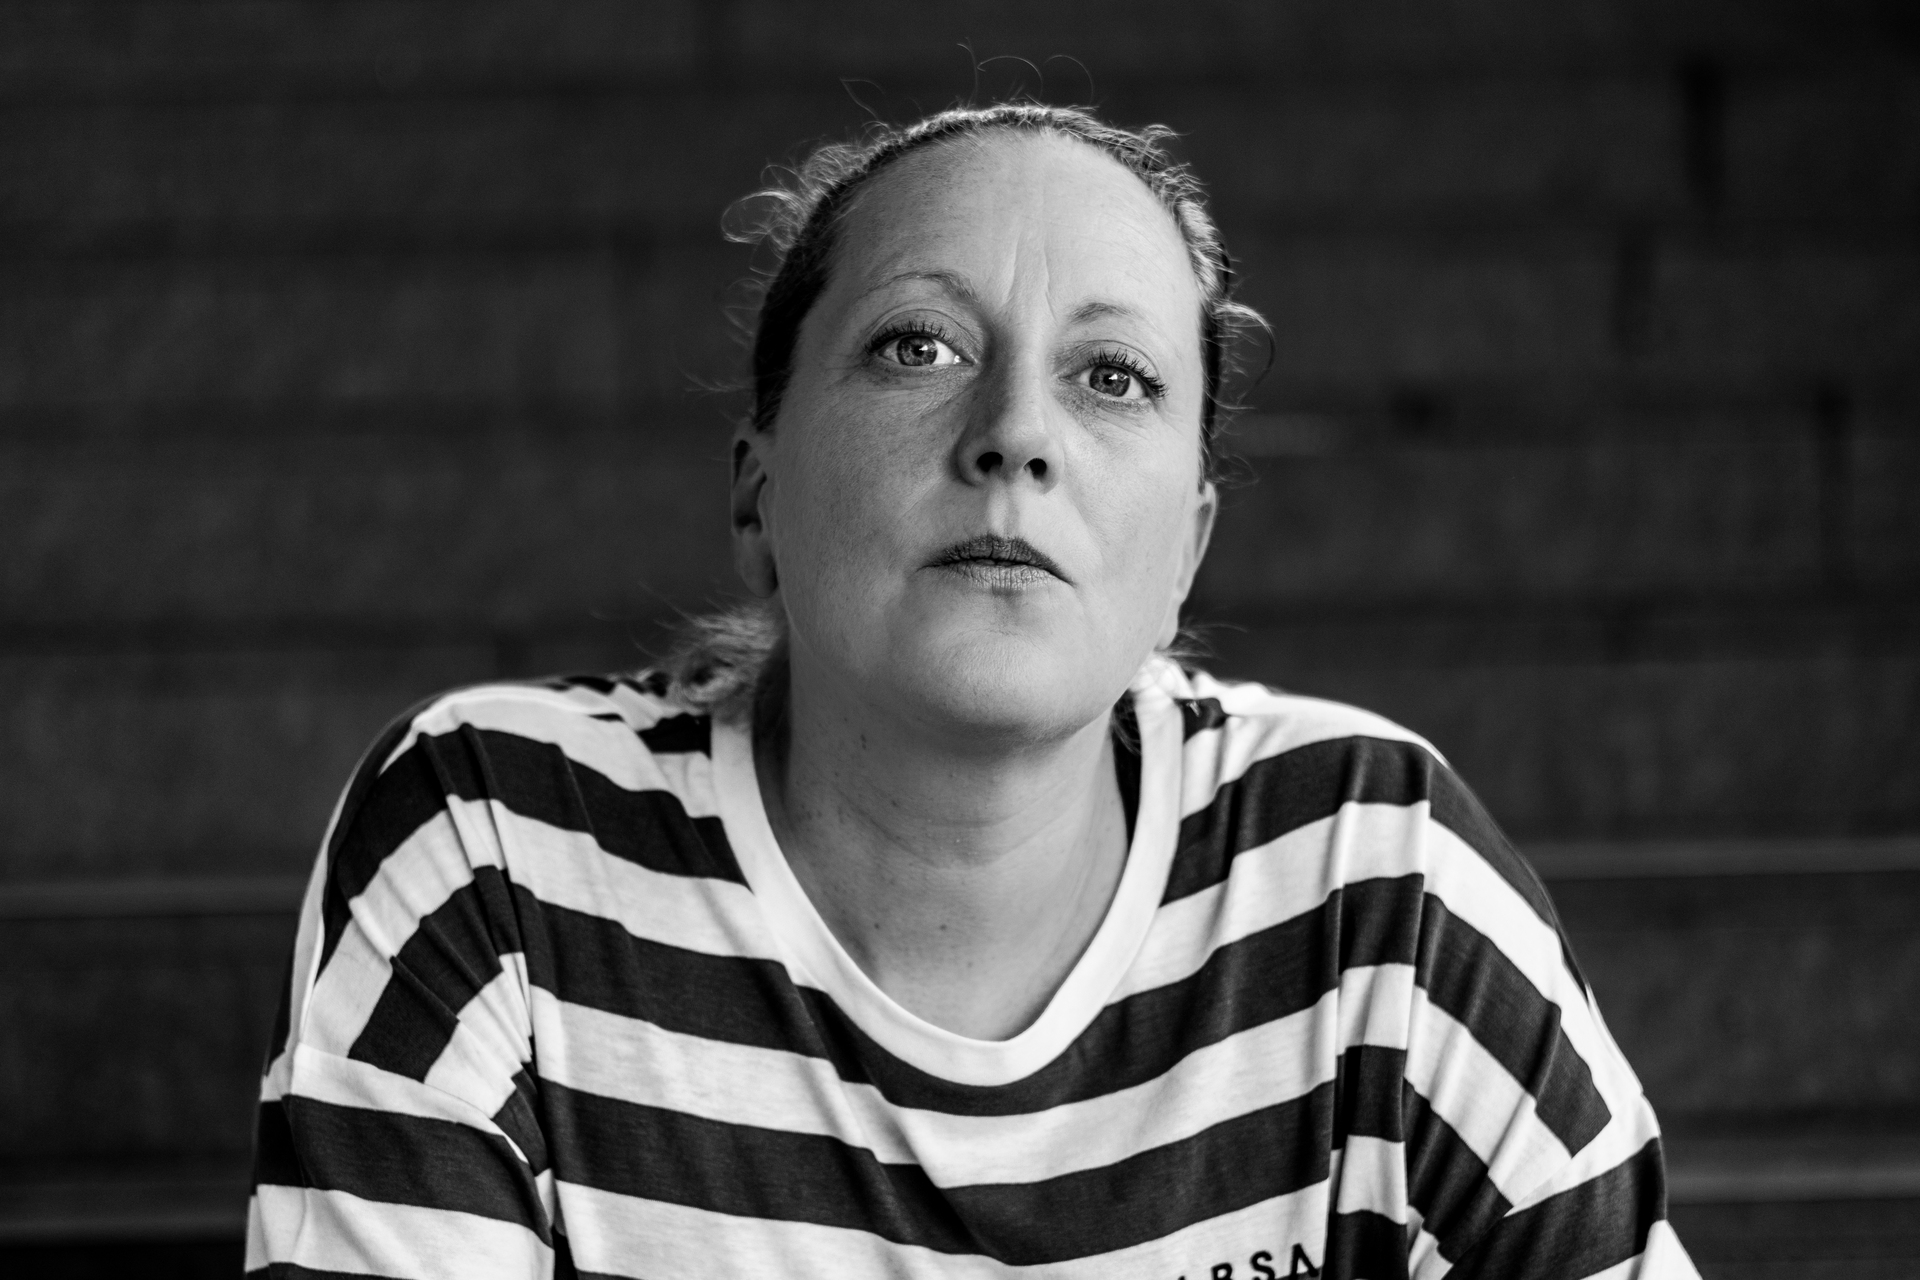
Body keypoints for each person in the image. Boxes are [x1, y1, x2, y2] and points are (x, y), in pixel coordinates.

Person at [245, 103, 1698, 1279]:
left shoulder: (1374, 870)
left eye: (1113, 376)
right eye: (917, 346)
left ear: (1186, 552)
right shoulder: (496, 839)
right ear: (758, 495)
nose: (1016, 434)